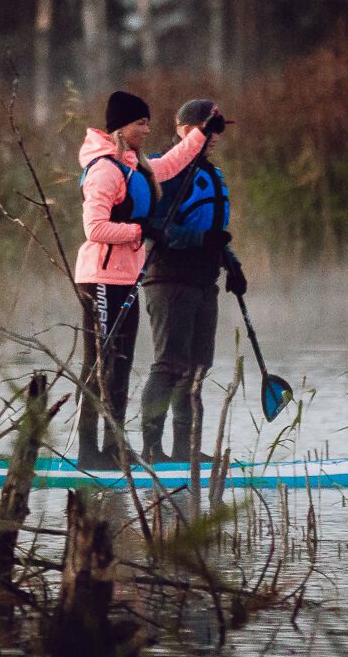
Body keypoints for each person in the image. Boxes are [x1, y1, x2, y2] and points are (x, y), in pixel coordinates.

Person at [74, 89, 224, 468]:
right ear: (122, 126)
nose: (148, 129)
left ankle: (114, 447)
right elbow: (94, 228)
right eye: (141, 123)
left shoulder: (135, 165)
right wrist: (141, 232)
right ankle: (89, 451)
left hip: (125, 277)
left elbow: (174, 162)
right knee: (100, 366)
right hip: (99, 278)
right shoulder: (105, 170)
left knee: (120, 364)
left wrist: (202, 133)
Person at [138, 99, 248, 464]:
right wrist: (202, 242)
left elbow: (212, 230)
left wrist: (230, 264)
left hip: (203, 280)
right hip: (168, 279)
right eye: (209, 128)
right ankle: (152, 451)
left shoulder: (210, 173)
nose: (216, 136)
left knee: (197, 369)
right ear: (186, 131)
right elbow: (158, 227)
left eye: (218, 129)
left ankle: (185, 452)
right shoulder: (165, 171)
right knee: (169, 366)